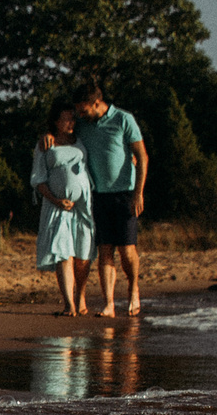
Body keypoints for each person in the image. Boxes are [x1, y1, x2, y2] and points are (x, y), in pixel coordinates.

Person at [74, 83, 149, 316]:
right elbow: (62, 132)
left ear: (97, 103)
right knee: (105, 250)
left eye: (84, 110)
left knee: (127, 251)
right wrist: (47, 135)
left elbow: (142, 156)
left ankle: (133, 287)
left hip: (125, 193)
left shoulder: (124, 119)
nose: (80, 115)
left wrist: (139, 192)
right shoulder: (83, 125)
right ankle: (109, 304)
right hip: (99, 194)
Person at [30, 102, 94, 315]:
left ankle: (81, 298)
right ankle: (69, 304)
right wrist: (56, 200)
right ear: (56, 121)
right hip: (58, 206)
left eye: (73, 119)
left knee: (83, 253)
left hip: (82, 206)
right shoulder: (46, 144)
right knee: (63, 253)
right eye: (66, 119)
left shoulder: (80, 140)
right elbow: (38, 179)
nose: (71, 123)